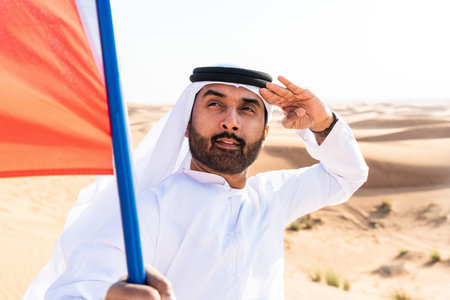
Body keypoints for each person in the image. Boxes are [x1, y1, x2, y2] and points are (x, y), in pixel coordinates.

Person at [24, 66, 368, 300]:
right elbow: (75, 290)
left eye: (247, 109)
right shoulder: (148, 209)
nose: (231, 122)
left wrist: (322, 123)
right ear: (186, 124)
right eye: (215, 104)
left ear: (265, 131)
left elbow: (346, 175)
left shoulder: (271, 198)